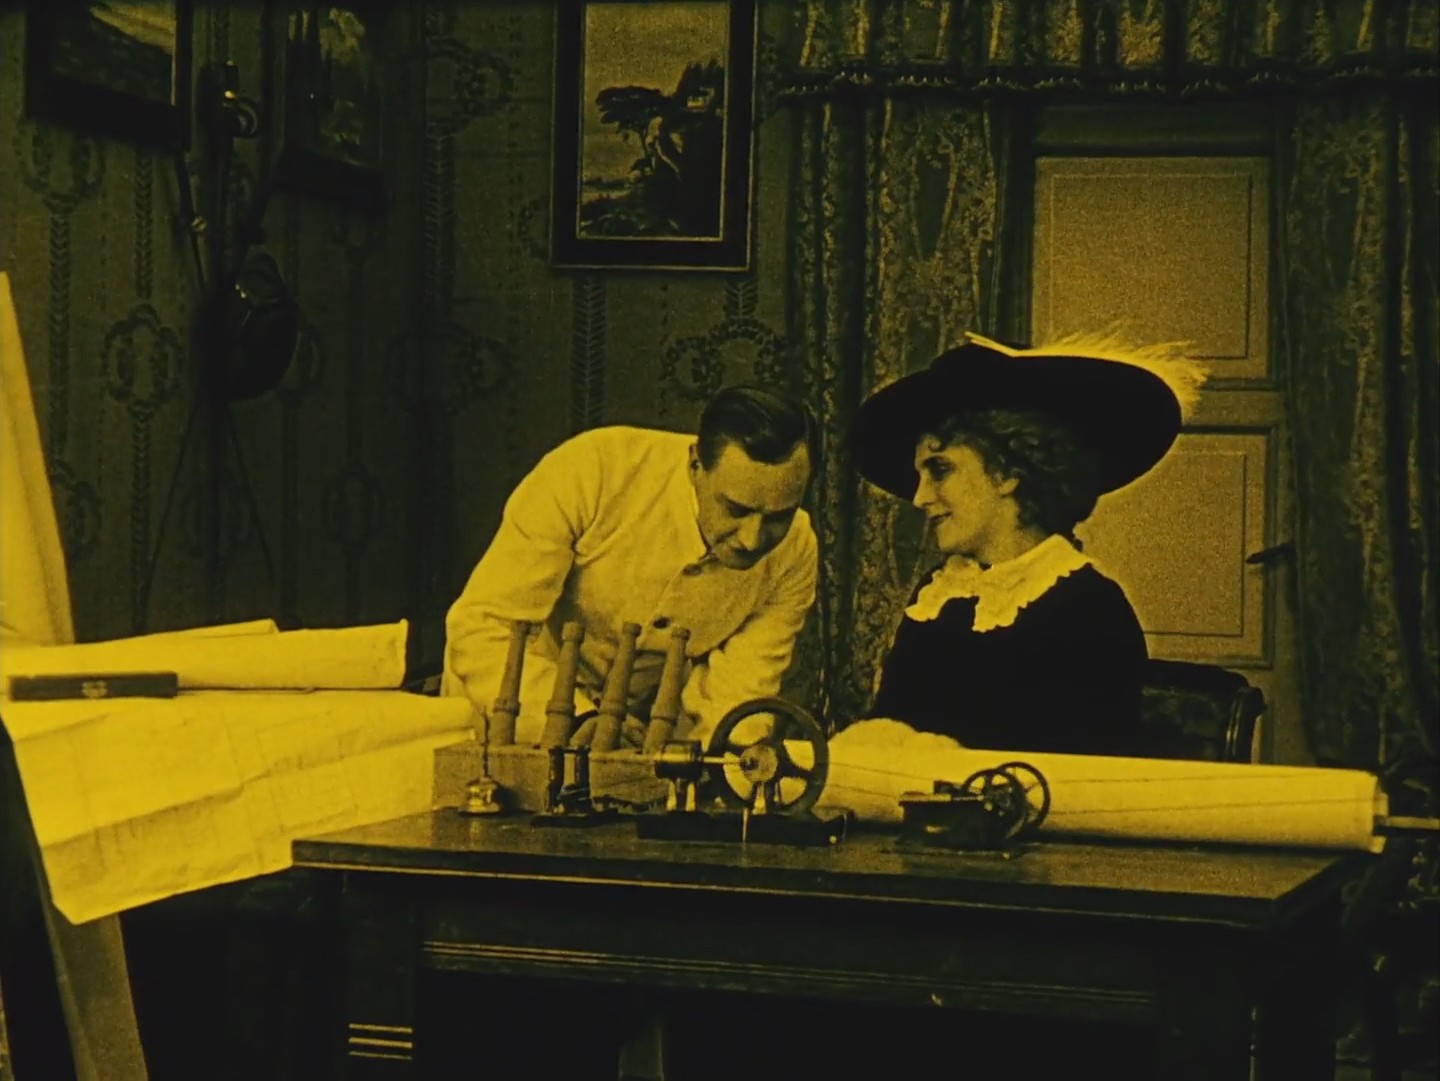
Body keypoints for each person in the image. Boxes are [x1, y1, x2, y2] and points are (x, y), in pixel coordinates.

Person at [849, 329, 1205, 758]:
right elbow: (891, 733)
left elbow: (1078, 777)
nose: (920, 497)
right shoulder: (940, 595)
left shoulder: (1090, 611)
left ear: (1007, 473)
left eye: (939, 470)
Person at [442, 383, 819, 752]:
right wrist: (576, 720)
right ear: (695, 465)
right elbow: (482, 630)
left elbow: (738, 696)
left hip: (637, 749)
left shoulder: (796, 551)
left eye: (779, 517)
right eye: (735, 510)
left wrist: (727, 769)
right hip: (506, 729)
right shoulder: (593, 470)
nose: (752, 540)